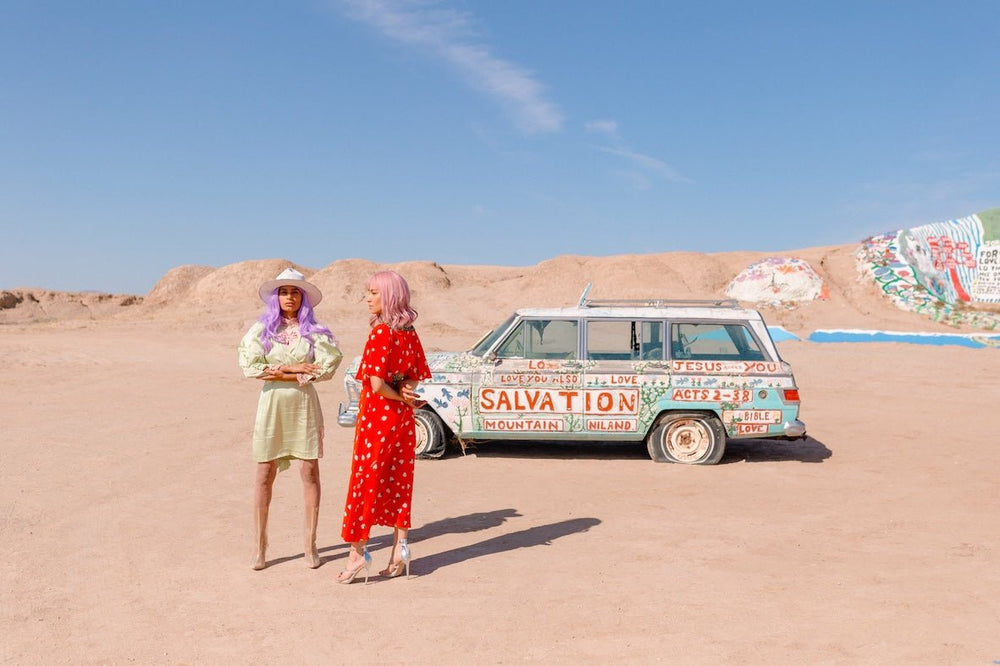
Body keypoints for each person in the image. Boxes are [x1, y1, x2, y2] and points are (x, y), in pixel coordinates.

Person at [238, 268, 342, 571]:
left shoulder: (315, 331)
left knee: (309, 470)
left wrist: (283, 371)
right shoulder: (262, 330)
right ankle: (260, 546)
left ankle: (310, 545)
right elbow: (251, 366)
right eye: (283, 292)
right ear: (276, 297)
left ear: (303, 297)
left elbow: (326, 366)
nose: (289, 297)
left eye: (295, 292)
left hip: (303, 405)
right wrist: (293, 369)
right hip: (272, 405)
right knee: (264, 472)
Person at [337, 270, 431, 584]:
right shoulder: (409, 333)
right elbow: (415, 375)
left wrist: (397, 394)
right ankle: (400, 550)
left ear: (390, 296)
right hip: (403, 421)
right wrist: (405, 393)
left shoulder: (381, 333)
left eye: (374, 293)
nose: (367, 298)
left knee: (366, 482)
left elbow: (376, 385)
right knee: (400, 481)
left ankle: (357, 554)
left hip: (377, 419)